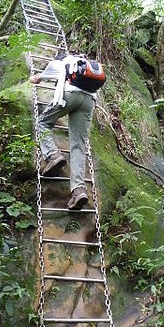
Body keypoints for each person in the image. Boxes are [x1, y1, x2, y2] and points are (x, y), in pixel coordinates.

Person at [30, 53, 98, 210]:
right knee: (78, 145)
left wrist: (34, 79)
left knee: (43, 122)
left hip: (69, 95)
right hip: (89, 101)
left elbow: (39, 78)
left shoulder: (61, 62)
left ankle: (53, 155)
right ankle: (78, 190)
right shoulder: (84, 66)